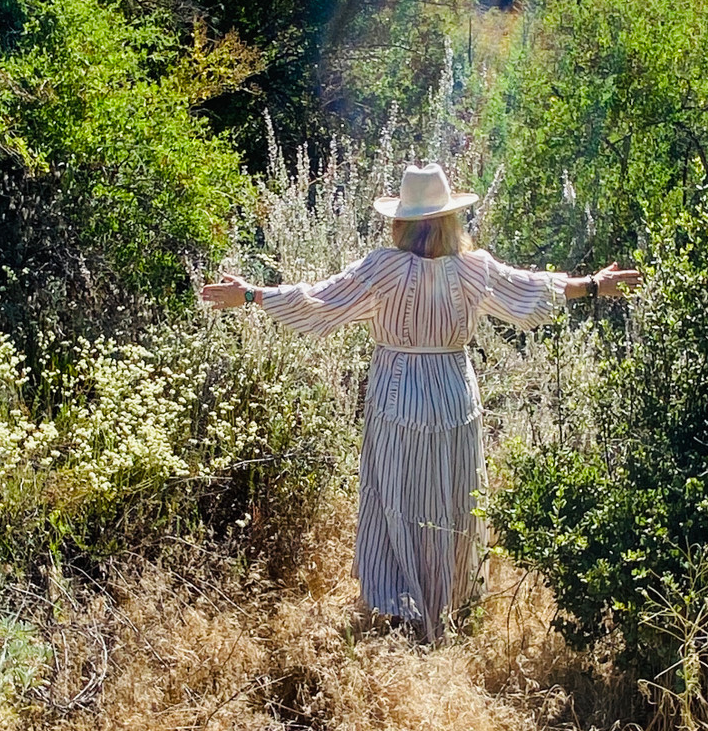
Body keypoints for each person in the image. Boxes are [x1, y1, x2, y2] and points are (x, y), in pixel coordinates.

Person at [201, 162, 641, 642]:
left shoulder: (383, 268)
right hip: (454, 395)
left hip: (398, 397)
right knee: (452, 499)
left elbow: (317, 302)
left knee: (398, 496)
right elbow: (534, 288)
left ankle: (400, 606)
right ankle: (450, 606)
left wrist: (251, 295)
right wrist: (595, 284)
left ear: (402, 222)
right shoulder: (474, 268)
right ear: (451, 219)